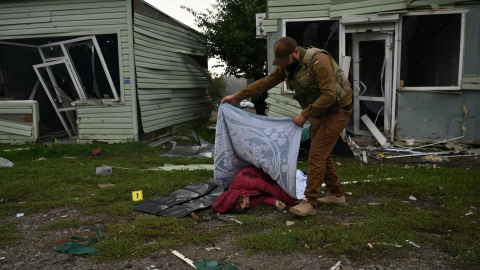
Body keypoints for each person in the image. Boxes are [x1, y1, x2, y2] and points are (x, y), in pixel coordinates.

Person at [221, 37, 353, 216]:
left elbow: (329, 95)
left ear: (296, 52)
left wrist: (305, 114)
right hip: (319, 110)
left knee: (316, 154)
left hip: (338, 108)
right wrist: (236, 96)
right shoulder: (287, 66)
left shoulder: (317, 61)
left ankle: (310, 203)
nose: (283, 65)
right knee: (321, 153)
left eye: (286, 61)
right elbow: (265, 83)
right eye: (281, 63)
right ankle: (337, 195)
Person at [212, 166, 296, 214]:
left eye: (246, 205)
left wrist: (292, 200)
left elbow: (272, 189)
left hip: (268, 172)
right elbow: (261, 199)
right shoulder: (243, 196)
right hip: (269, 180)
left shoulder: (247, 181)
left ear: (242, 197)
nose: (249, 206)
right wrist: (274, 201)